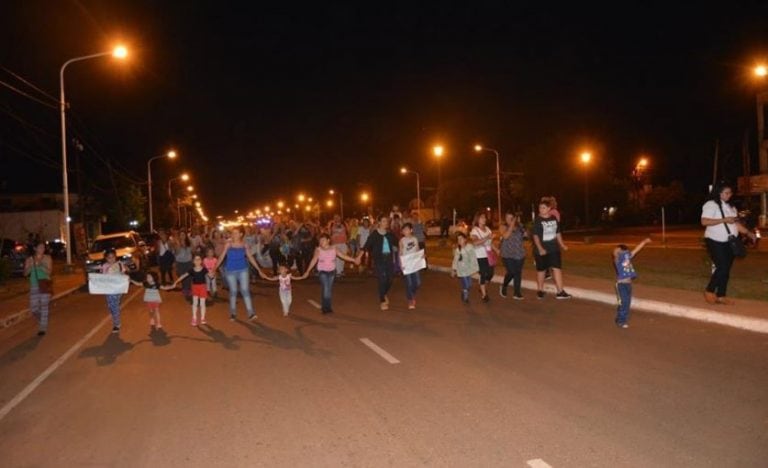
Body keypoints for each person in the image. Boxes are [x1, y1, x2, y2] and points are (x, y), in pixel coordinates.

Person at [701, 183, 757, 305]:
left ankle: (721, 295)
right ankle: (709, 291)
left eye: (730, 193)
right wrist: (724, 220)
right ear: (718, 192)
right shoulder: (711, 205)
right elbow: (704, 221)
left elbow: (735, 224)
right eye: (726, 193)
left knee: (726, 269)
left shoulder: (731, 207)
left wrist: (748, 233)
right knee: (722, 267)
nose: (729, 195)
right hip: (715, 240)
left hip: (730, 241)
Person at [301, 233, 360, 314]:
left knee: (328, 289)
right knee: (326, 289)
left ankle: (326, 306)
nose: (321, 242)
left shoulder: (334, 248)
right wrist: (307, 271)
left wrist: (353, 260)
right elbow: (314, 260)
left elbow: (343, 256)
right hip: (322, 272)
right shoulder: (318, 249)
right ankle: (326, 308)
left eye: (323, 240)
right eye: (320, 240)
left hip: (332, 272)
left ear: (328, 240)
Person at [214, 226, 263, 321]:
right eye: (232, 233)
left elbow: (250, 257)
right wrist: (214, 268)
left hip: (243, 270)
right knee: (233, 291)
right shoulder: (228, 244)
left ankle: (251, 313)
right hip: (231, 270)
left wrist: (258, 269)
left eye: (236, 233)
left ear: (241, 234)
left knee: (245, 290)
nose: (233, 235)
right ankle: (233, 313)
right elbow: (221, 257)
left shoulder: (244, 245)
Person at [532, 199, 572, 299]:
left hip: (554, 249)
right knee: (541, 270)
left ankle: (560, 291)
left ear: (549, 208)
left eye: (543, 208)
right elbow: (535, 236)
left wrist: (562, 245)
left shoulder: (554, 218)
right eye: (540, 208)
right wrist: (540, 248)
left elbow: (557, 233)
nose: (541, 210)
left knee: (557, 269)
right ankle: (540, 290)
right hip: (541, 250)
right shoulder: (538, 220)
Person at [361, 215, 399, 310]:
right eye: (383, 221)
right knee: (382, 279)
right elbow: (366, 245)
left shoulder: (390, 234)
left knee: (390, 279)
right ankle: (382, 300)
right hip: (379, 259)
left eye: (387, 221)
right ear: (379, 222)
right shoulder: (374, 234)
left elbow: (398, 243)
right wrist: (358, 257)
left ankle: (384, 293)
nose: (386, 223)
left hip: (389, 259)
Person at [613, 238, 651, 328]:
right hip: (621, 285)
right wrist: (618, 248)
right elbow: (615, 253)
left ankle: (619, 317)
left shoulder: (627, 258)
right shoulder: (617, 260)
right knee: (624, 302)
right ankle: (621, 321)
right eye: (622, 251)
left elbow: (636, 250)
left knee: (626, 302)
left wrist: (644, 242)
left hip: (628, 284)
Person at [23, 241, 52, 336]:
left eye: (43, 248)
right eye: (40, 247)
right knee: (34, 308)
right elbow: (25, 273)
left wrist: (40, 264)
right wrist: (31, 266)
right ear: (35, 248)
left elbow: (49, 272)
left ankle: (42, 327)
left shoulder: (47, 258)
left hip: (44, 283)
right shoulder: (30, 259)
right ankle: (43, 320)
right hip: (34, 284)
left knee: (44, 306)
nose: (42, 249)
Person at [172, 254, 210, 326]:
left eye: (199, 259)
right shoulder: (191, 270)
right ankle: (194, 318)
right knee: (195, 303)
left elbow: (210, 275)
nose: (197, 261)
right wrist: (176, 282)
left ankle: (202, 318)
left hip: (203, 287)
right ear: (193, 261)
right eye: (196, 259)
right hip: (195, 287)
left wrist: (212, 271)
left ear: (201, 261)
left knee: (202, 304)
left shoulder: (204, 269)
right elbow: (183, 276)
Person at [470, 212, 496, 303]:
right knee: (483, 273)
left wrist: (496, 250)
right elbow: (475, 242)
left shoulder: (488, 229)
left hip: (489, 254)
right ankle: (484, 295)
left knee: (491, 273)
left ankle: (482, 286)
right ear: (477, 219)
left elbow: (490, 243)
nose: (484, 219)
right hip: (480, 255)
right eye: (482, 217)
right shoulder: (475, 230)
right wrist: (487, 238)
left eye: (485, 217)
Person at [500, 212, 526, 300]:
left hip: (519, 253)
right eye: (507, 218)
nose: (509, 220)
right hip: (507, 254)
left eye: (511, 218)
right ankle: (504, 285)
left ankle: (517, 292)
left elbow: (525, 235)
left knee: (518, 273)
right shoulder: (503, 227)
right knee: (511, 272)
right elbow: (506, 236)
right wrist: (512, 224)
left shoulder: (520, 226)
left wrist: (526, 230)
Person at [101, 249, 127, 333]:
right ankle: (116, 319)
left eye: (113, 257)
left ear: (115, 257)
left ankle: (116, 324)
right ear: (106, 258)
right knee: (111, 307)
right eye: (109, 258)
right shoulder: (104, 266)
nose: (111, 259)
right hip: (108, 289)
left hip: (118, 288)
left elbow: (124, 274)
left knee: (114, 306)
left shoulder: (119, 264)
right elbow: (103, 278)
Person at [399, 222, 424, 309]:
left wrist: (421, 255)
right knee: (409, 283)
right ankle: (411, 299)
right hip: (407, 264)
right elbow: (401, 253)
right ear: (402, 232)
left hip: (415, 263)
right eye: (404, 230)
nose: (406, 231)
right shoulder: (402, 241)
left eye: (407, 229)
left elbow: (417, 249)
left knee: (417, 282)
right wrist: (401, 264)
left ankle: (411, 294)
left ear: (411, 230)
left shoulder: (415, 239)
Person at [451, 232, 478, 304]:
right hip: (461, 270)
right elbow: (455, 260)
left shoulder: (470, 246)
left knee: (469, 285)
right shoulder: (457, 250)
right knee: (466, 284)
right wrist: (454, 270)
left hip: (468, 269)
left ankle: (464, 291)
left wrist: (475, 266)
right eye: (458, 239)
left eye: (461, 239)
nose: (460, 241)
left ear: (465, 239)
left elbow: (473, 257)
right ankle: (465, 298)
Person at [173, 230, 194, 301]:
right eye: (181, 235)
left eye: (184, 234)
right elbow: (177, 252)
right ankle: (186, 292)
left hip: (189, 262)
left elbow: (193, 251)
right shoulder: (176, 243)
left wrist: (191, 244)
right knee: (183, 278)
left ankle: (189, 291)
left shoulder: (189, 242)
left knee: (189, 277)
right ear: (179, 236)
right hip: (180, 263)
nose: (182, 236)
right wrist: (178, 244)